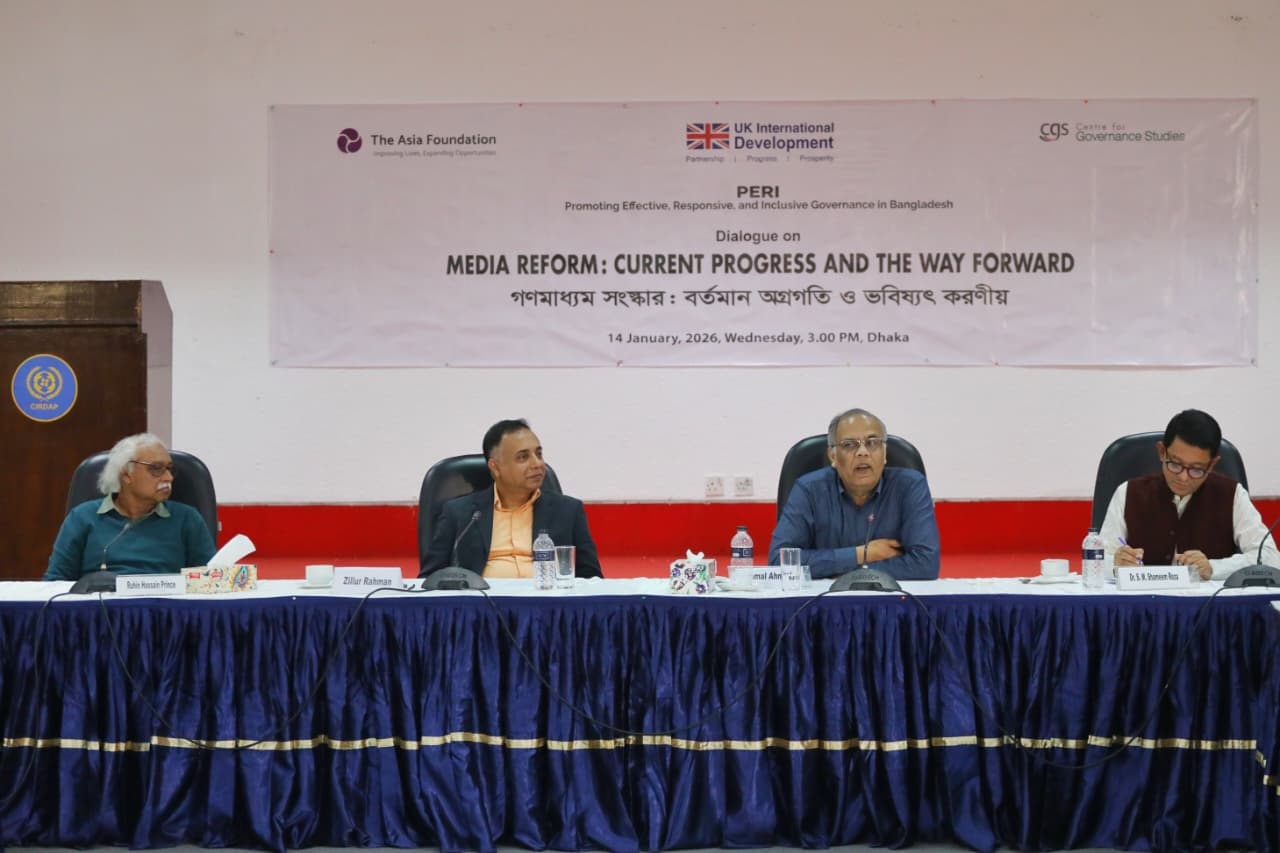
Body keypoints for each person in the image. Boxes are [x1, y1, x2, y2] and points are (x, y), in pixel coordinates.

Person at [1101, 409, 1278, 580]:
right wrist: (1115, 563)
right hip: (1144, 599)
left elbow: (1270, 557)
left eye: (1196, 469)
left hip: (1209, 600)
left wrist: (1213, 568)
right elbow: (1096, 561)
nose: (1183, 478)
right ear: (1162, 452)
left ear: (1212, 464)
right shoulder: (1128, 493)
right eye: (1175, 464)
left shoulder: (1232, 495)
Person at [420, 419, 603, 579]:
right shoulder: (461, 514)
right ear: (495, 467)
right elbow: (429, 579)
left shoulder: (568, 511)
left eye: (538, 454)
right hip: (481, 605)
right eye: (523, 457)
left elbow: (591, 579)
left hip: (548, 604)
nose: (537, 464)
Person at [769, 408, 940, 580]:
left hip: (892, 596)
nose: (862, 452)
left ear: (884, 453)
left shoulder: (909, 486)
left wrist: (846, 573)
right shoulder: (809, 489)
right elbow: (779, 562)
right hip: (824, 597)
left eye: (872, 442)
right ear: (833, 456)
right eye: (849, 444)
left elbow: (926, 565)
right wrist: (863, 554)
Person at [45, 433, 216, 581]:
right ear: (127, 474)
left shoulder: (187, 518)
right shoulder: (82, 517)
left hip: (165, 606)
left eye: (170, 469)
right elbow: (55, 580)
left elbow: (210, 580)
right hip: (100, 605)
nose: (168, 478)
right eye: (156, 469)